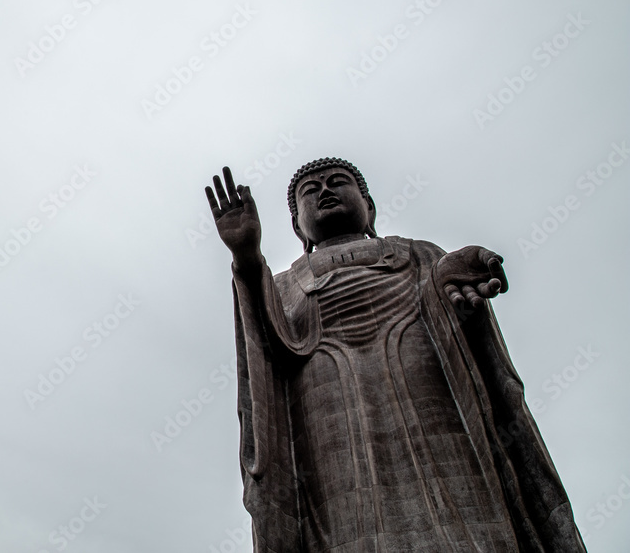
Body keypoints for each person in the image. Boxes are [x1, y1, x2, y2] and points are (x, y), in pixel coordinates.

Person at [205, 158, 585, 552]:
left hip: (428, 386)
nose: (325, 191)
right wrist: (246, 258)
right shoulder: (283, 283)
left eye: (337, 182)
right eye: (311, 191)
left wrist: (455, 283)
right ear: (298, 227)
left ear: (369, 208)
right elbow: (268, 350)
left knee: (461, 501)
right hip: (327, 402)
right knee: (347, 514)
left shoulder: (419, 255)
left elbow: (448, 297)